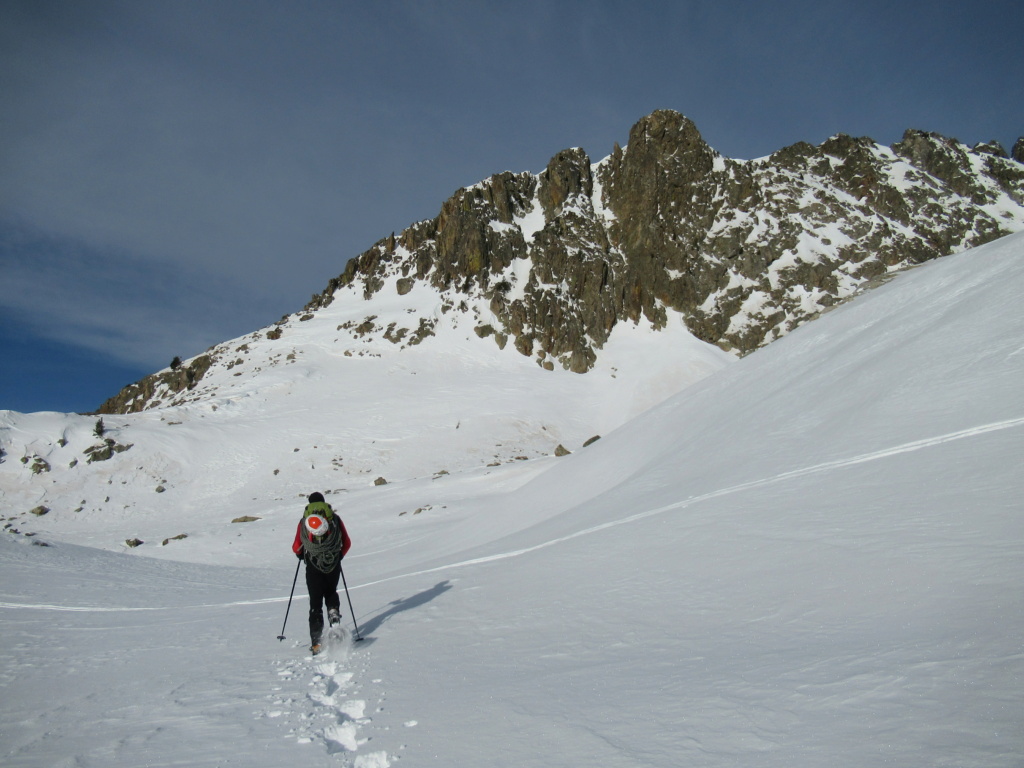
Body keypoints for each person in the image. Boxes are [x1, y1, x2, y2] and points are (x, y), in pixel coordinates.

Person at [292, 491, 352, 655]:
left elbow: (296, 546)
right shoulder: (335, 519)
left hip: (312, 564)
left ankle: (317, 643)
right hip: (332, 562)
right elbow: (346, 542)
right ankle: (333, 612)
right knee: (331, 591)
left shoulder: (305, 522)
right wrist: (338, 555)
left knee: (315, 602)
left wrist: (301, 554)